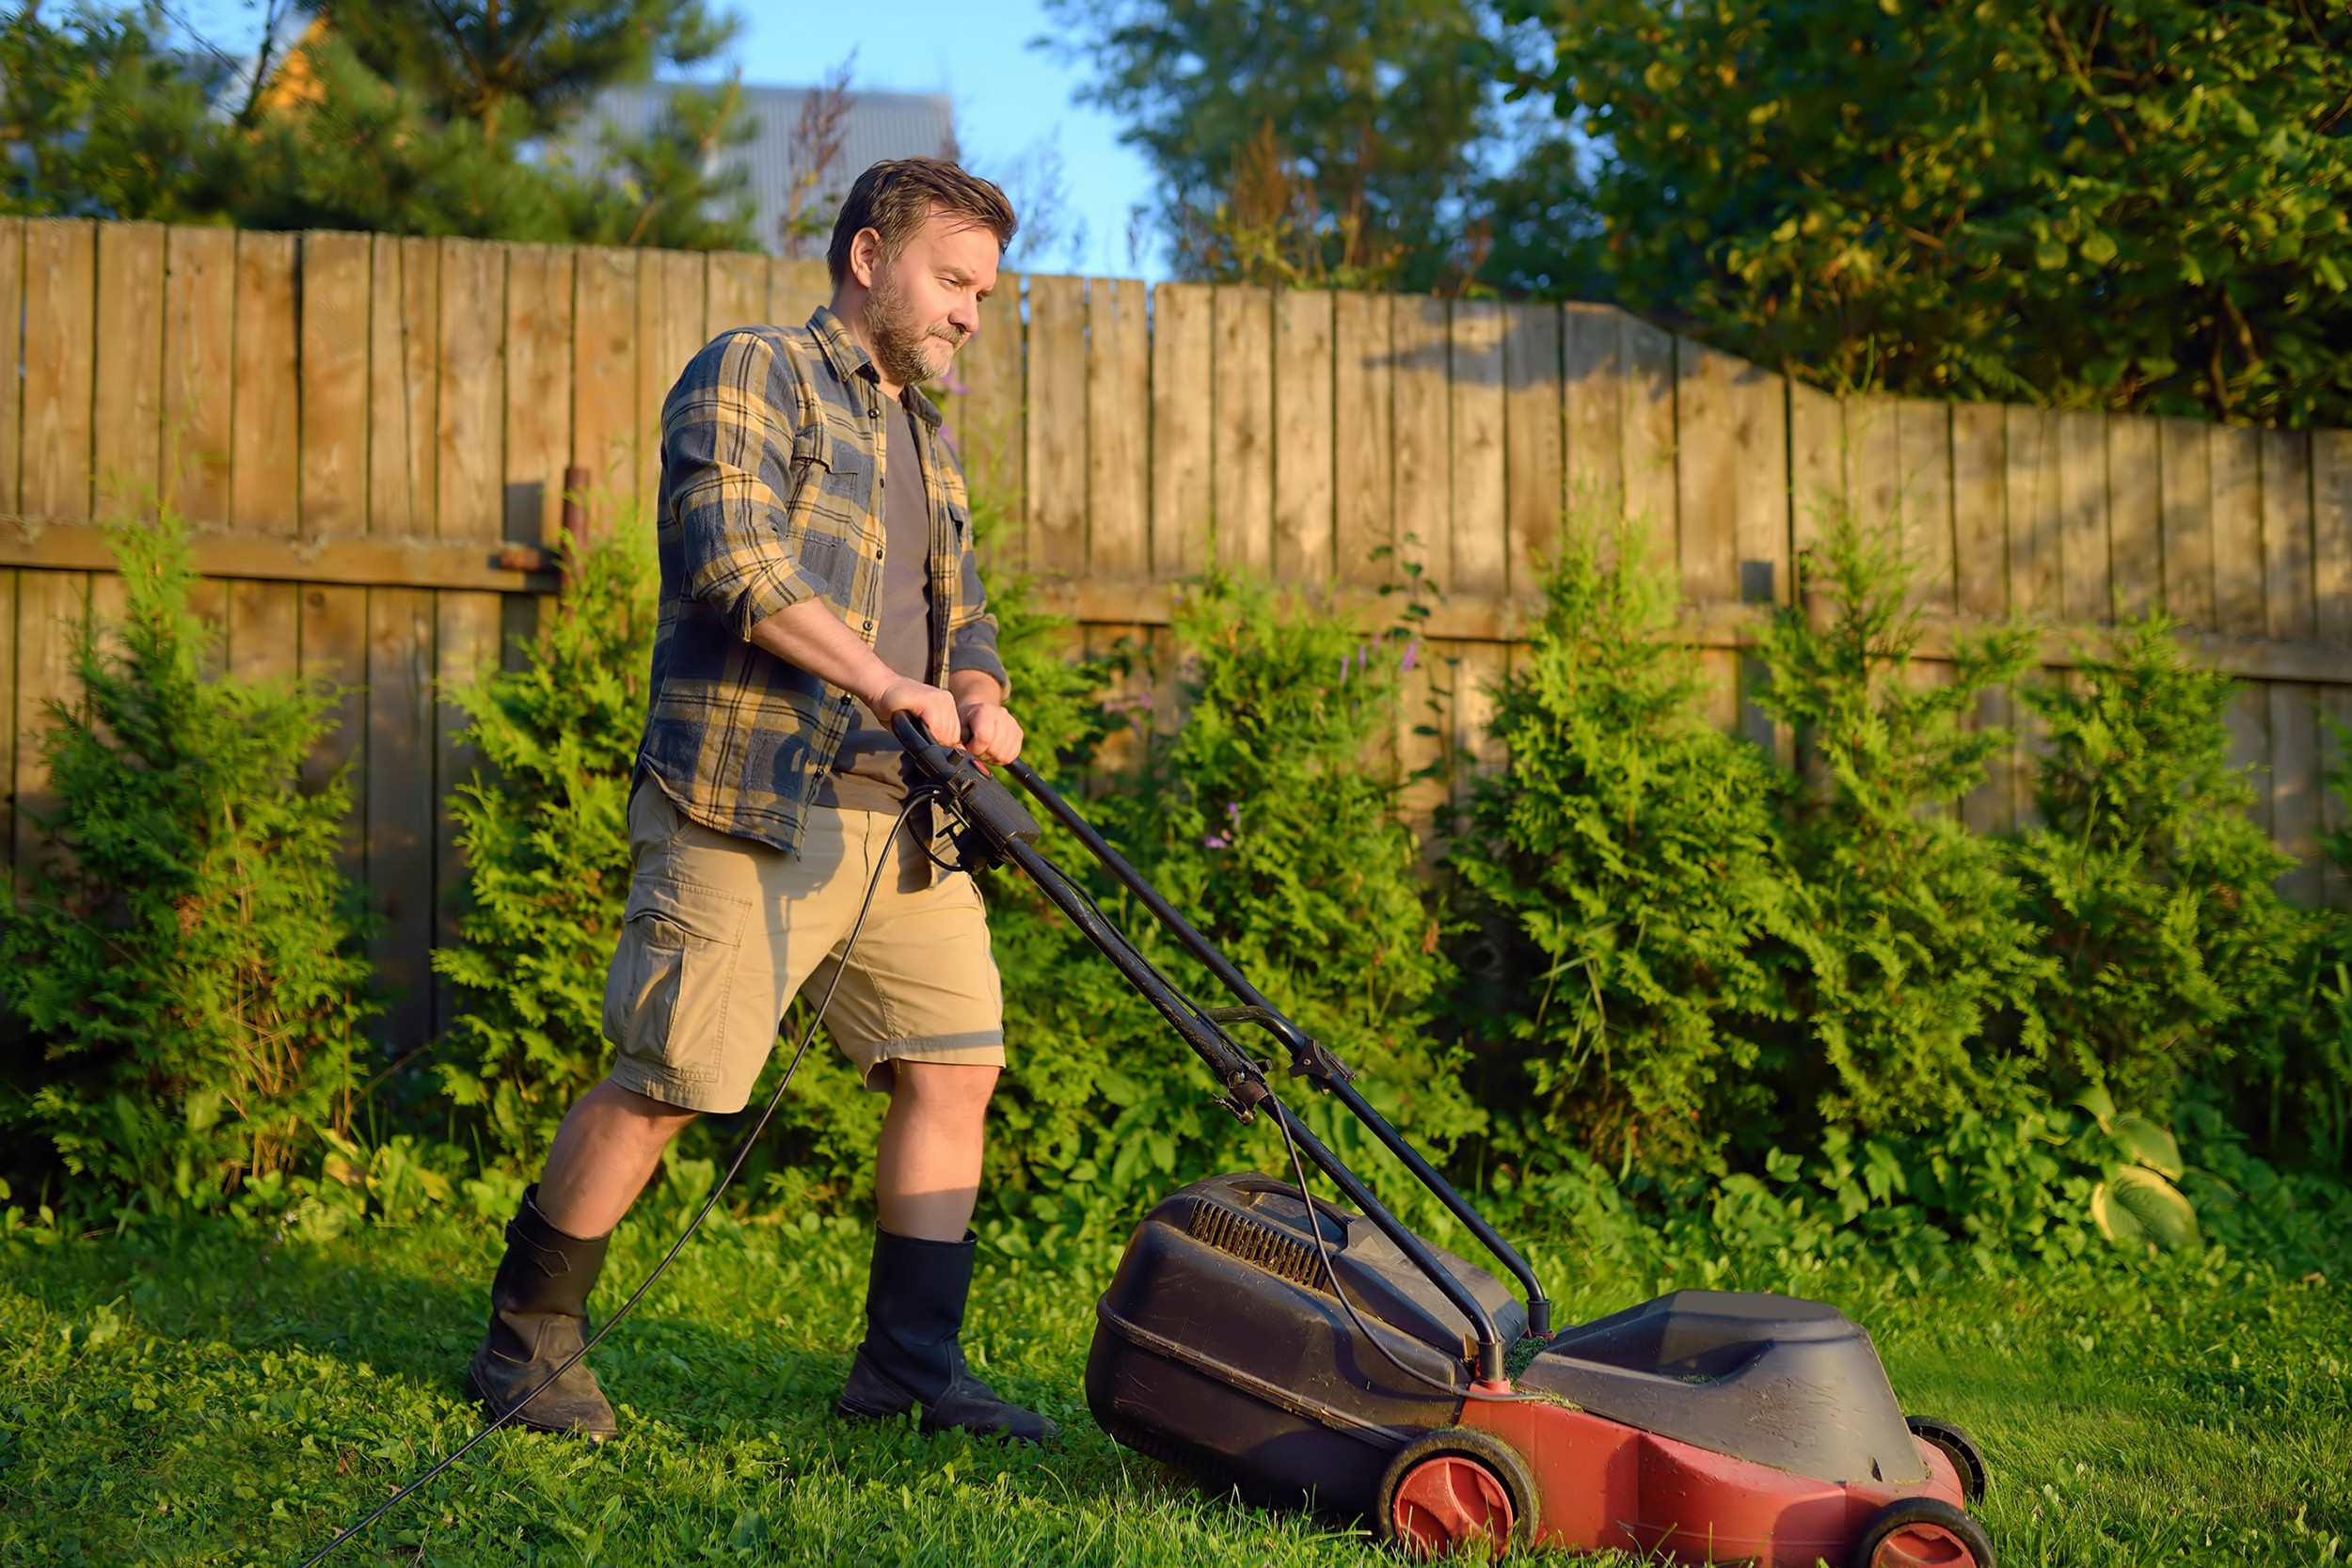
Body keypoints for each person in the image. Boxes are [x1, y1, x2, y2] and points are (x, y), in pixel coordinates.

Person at [465, 158, 1052, 1446]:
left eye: (981, 292)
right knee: (674, 1076)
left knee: (956, 1069)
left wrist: (979, 686)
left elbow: (970, 607)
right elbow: (735, 561)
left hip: (904, 815)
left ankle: (907, 1371)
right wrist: (894, 680)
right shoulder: (753, 372)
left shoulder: (925, 437)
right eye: (953, 282)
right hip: (750, 794)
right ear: (868, 257)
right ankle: (527, 1347)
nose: (968, 312)